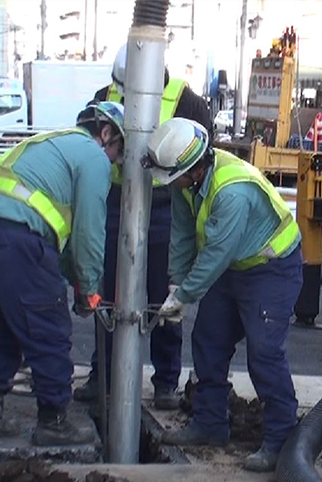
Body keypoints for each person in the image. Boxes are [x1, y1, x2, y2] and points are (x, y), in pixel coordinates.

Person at [0, 102, 126, 446]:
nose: (114, 162)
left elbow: (58, 241)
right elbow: (89, 234)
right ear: (106, 133)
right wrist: (90, 289)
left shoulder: (51, 144)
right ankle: (54, 423)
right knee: (49, 330)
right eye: (117, 153)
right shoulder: (93, 158)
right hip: (16, 240)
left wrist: (76, 283)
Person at [144, 118, 302, 472]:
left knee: (264, 353)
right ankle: (210, 423)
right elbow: (182, 234)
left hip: (270, 269)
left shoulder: (232, 192)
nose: (170, 184)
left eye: (173, 177)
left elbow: (216, 254)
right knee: (209, 341)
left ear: (192, 170)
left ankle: (281, 441)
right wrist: (175, 282)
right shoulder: (185, 183)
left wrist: (184, 295)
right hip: (234, 267)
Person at [73, 43, 212, 410]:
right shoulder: (106, 94)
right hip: (116, 201)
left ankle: (165, 382)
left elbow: (200, 153)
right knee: (108, 290)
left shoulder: (186, 100)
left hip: (167, 205)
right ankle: (103, 374)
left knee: (163, 295)